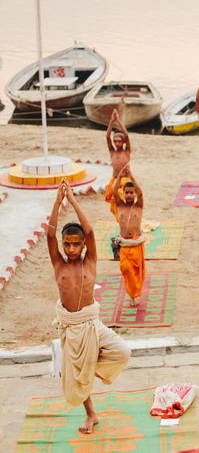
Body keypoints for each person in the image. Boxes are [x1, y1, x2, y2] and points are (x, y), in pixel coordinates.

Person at [46, 179, 131, 434]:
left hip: (91, 324)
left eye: (76, 243)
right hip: (71, 328)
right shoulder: (59, 264)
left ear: (83, 245)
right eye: (67, 244)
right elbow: (49, 234)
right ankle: (91, 414)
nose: (71, 248)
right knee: (76, 381)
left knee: (123, 351)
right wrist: (57, 202)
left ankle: (91, 367)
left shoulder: (90, 261)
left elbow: (91, 232)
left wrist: (73, 200)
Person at [112, 165, 146, 307]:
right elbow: (114, 191)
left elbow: (141, 192)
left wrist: (131, 176)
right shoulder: (119, 205)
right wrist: (120, 175)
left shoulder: (138, 206)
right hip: (124, 244)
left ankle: (135, 294)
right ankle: (132, 295)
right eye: (127, 192)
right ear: (123, 193)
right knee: (126, 268)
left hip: (136, 243)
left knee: (137, 272)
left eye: (132, 192)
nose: (129, 195)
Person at [105, 109, 131, 220]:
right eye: (115, 141)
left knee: (126, 203)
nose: (117, 143)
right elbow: (107, 137)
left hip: (125, 181)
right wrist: (111, 121)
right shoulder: (112, 151)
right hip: (115, 180)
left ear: (123, 142)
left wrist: (118, 121)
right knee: (117, 206)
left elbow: (126, 135)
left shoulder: (127, 151)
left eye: (119, 141)